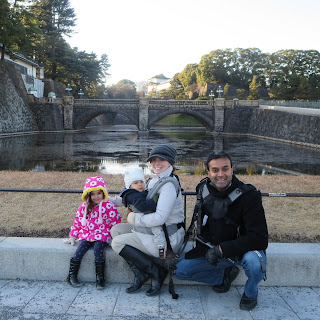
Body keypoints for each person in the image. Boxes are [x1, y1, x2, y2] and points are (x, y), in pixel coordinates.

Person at [175, 151, 268, 311]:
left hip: (244, 251)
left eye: (225, 169)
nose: (221, 175)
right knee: (179, 270)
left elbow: (260, 239)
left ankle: (251, 292)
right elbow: (203, 225)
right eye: (215, 170)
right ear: (208, 172)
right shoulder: (202, 189)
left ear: (232, 169)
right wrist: (206, 250)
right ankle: (225, 276)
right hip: (214, 249)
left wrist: (222, 250)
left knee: (255, 263)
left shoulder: (249, 196)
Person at [110, 144, 185, 296]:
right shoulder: (153, 180)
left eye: (161, 159)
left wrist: (133, 218)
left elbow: (160, 218)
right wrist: (105, 200)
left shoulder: (168, 185)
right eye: (153, 160)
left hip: (167, 238)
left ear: (170, 162)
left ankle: (156, 271)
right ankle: (140, 273)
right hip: (156, 231)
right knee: (115, 230)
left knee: (117, 242)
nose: (156, 163)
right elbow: (134, 198)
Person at [64, 176, 121, 289]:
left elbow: (115, 220)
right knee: (80, 250)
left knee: (98, 249)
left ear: (103, 193)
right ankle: (71, 275)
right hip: (87, 233)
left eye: (99, 193)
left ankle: (100, 277)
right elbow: (78, 221)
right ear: (88, 195)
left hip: (102, 233)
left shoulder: (108, 205)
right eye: (92, 194)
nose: (96, 197)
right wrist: (73, 235)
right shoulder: (84, 207)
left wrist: (114, 235)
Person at [109, 167, 175, 259]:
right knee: (157, 230)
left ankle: (154, 258)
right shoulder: (135, 195)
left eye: (141, 182)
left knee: (157, 230)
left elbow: (122, 201)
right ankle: (160, 248)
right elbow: (142, 206)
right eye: (136, 183)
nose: (140, 184)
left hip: (147, 221)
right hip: (145, 218)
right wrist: (154, 203)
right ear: (130, 186)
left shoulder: (135, 192)